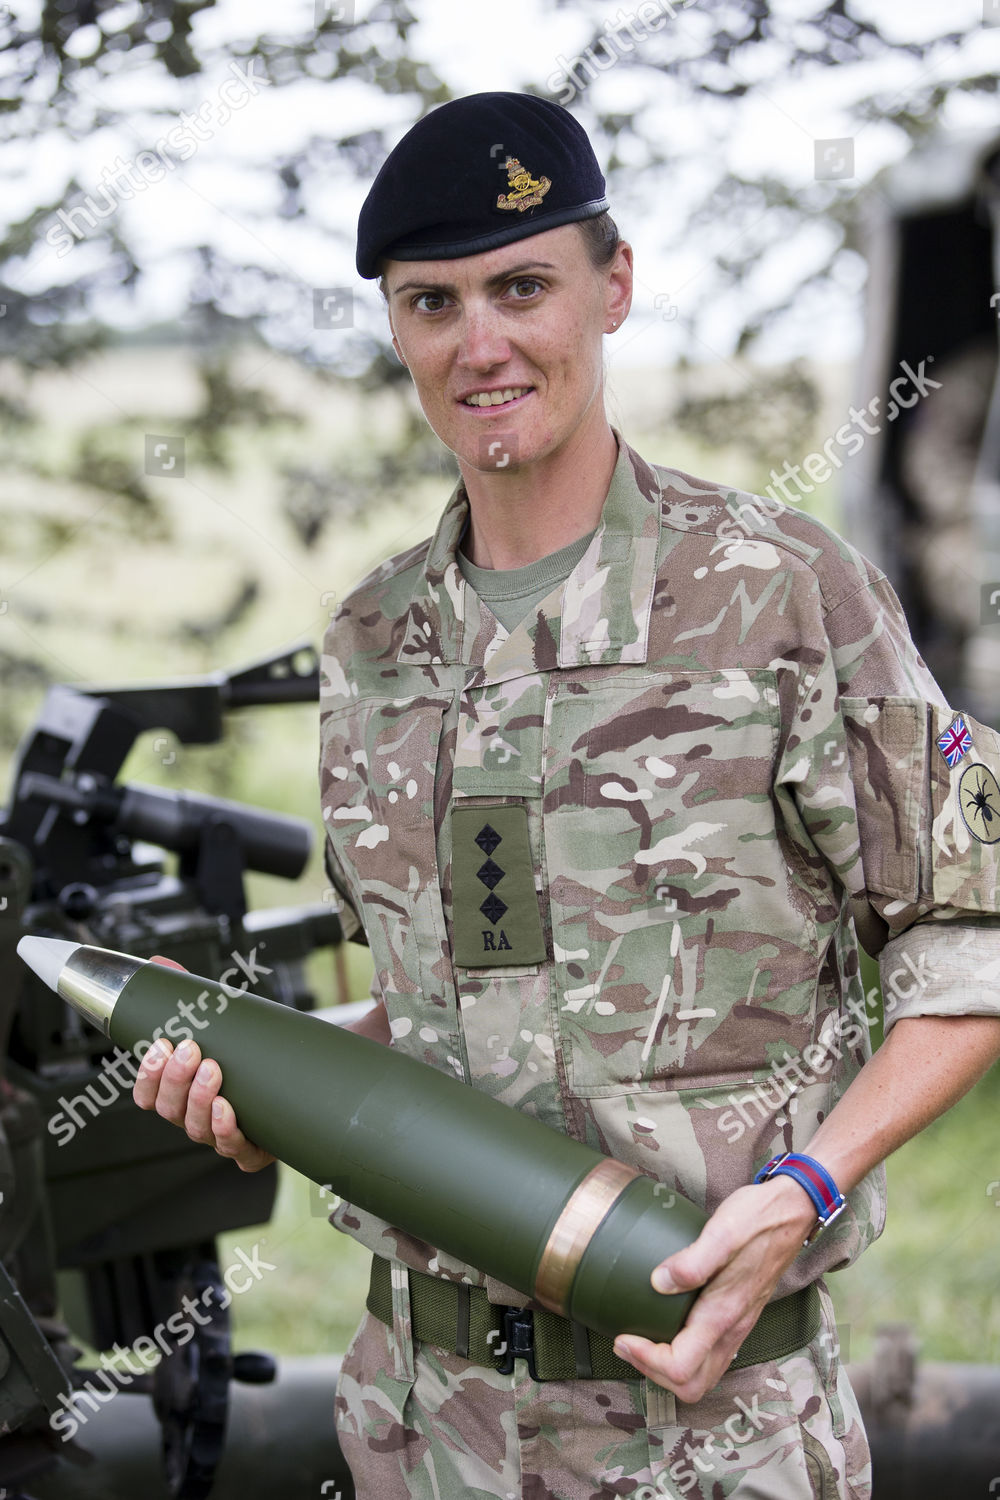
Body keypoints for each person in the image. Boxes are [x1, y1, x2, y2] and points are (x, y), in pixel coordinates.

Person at [134, 92, 1000, 1499]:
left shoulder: (785, 595)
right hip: (423, 1426)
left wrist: (809, 1189)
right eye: (434, 302)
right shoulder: (372, 644)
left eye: (522, 286)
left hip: (711, 1432)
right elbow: (434, 1015)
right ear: (398, 330)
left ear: (615, 287)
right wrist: (260, 1073)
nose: (482, 343)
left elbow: (974, 941)